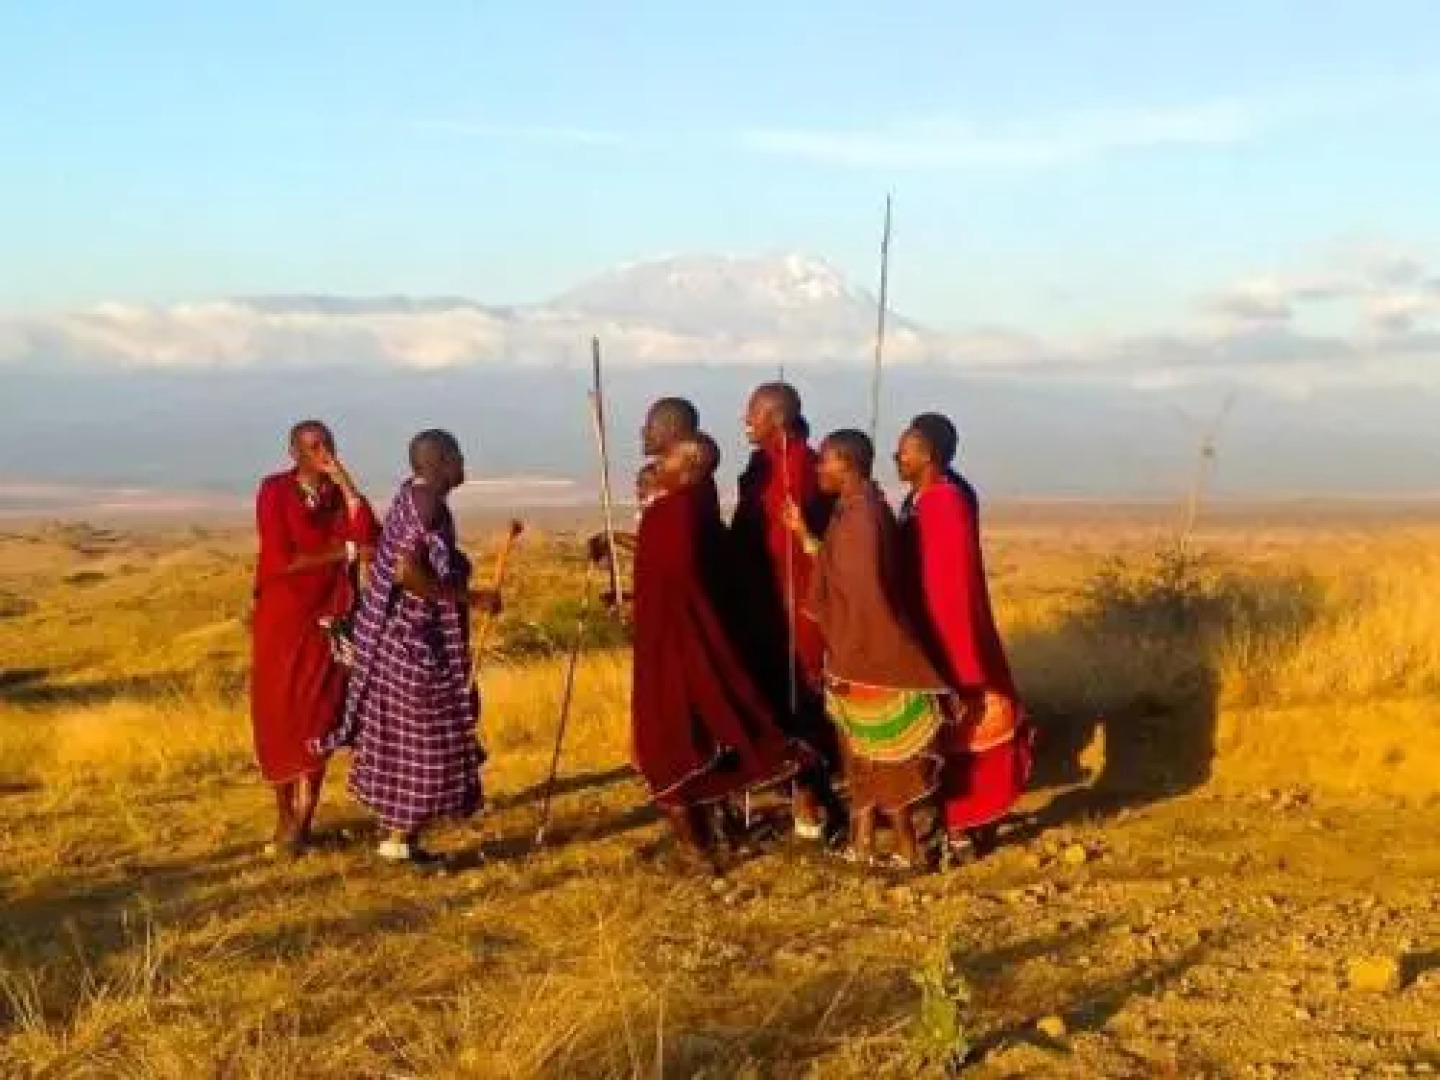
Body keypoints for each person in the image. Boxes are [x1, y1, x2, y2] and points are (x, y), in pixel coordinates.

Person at [593, 428, 807, 872]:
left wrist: (640, 609)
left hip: (673, 647)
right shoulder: (695, 508)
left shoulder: (672, 514)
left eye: (667, 459)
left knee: (665, 749)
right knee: (695, 739)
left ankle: (695, 850)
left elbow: (678, 583)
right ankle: (711, 837)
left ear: (689, 466)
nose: (658, 466)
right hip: (683, 641)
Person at [319, 430, 501, 867]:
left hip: (400, 639)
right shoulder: (426, 504)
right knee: (427, 741)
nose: (463, 464)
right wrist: (471, 598)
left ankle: (398, 840)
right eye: (457, 456)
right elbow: (406, 572)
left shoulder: (414, 498)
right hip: (408, 643)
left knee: (406, 741)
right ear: (439, 461)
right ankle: (400, 838)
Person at [784, 429, 951, 872]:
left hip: (870, 655)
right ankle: (862, 842)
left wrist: (853, 643)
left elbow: (865, 596)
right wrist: (805, 535)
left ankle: (908, 848)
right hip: (853, 654)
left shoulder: (862, 518)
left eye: (825, 462)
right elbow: (843, 575)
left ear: (848, 464)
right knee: (859, 751)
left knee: (884, 753)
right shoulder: (855, 511)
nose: (818, 469)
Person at [896, 413, 1030, 864]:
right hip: (928, 634)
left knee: (969, 733)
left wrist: (960, 657)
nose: (898, 457)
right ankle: (952, 824)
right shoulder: (920, 498)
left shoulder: (945, 502)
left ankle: (968, 825)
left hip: (952, 637)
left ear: (929, 455)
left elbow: (953, 587)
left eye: (906, 449)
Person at [250, 420, 378, 857]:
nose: (323, 452)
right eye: (312, 446)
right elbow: (281, 557)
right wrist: (341, 552)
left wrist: (349, 486)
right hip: (283, 623)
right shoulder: (274, 491)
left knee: (320, 714)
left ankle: (304, 823)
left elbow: (371, 542)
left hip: (330, 621)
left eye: (328, 445)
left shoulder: (337, 498)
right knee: (280, 715)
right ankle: (285, 816)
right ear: (294, 452)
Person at [732, 382, 843, 841]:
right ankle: (802, 794)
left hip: (796, 611)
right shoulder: (765, 464)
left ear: (776, 419)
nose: (746, 421)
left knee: (804, 704)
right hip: (766, 607)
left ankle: (812, 801)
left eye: (753, 414)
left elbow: (788, 548)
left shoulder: (800, 468)